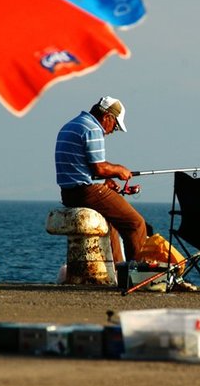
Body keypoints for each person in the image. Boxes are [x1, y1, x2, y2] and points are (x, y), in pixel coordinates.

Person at [55, 96, 147, 264]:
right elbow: (100, 168)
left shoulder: (73, 124)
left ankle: (118, 272)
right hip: (86, 192)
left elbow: (81, 169)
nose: (113, 131)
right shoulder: (92, 128)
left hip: (69, 193)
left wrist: (105, 183)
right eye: (116, 126)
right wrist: (120, 170)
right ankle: (136, 275)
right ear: (107, 117)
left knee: (111, 227)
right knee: (135, 224)